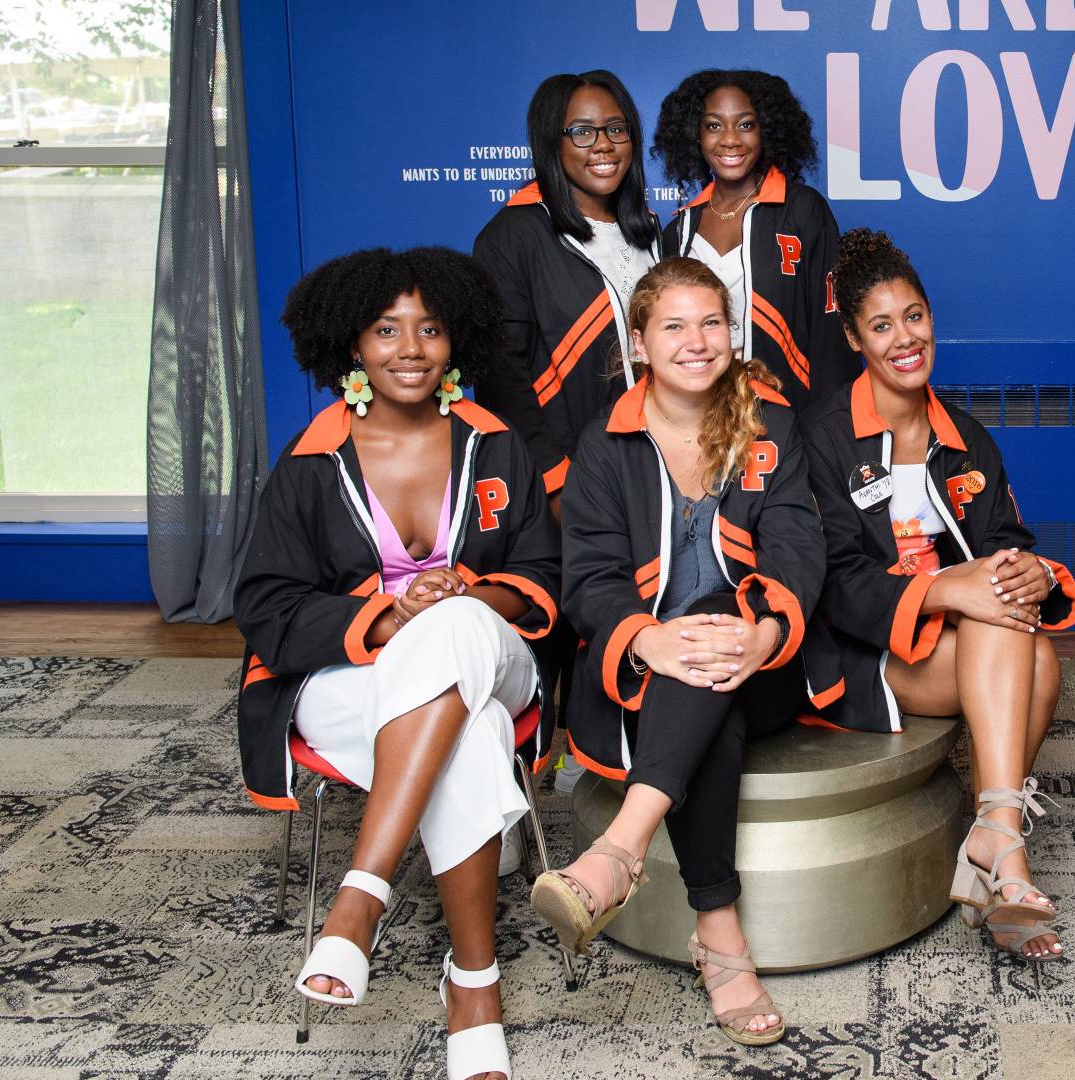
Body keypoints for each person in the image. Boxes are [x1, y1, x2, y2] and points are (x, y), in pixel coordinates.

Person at [237, 247, 561, 1080]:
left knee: (455, 628)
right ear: (352, 343)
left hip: (493, 650)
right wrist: (385, 617)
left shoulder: (497, 447)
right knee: (476, 733)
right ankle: (475, 985)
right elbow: (268, 608)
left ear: (457, 341)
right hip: (353, 680)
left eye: (430, 328)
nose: (410, 348)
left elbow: (544, 580)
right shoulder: (310, 464)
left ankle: (359, 901)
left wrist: (465, 600)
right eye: (387, 330)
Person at [531, 257, 823, 1046]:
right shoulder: (605, 443)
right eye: (674, 326)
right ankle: (720, 934)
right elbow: (586, 579)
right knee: (703, 696)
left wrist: (762, 633)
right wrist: (650, 638)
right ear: (638, 341)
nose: (697, 342)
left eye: (711, 323)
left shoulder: (772, 426)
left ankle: (617, 852)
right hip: (641, 671)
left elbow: (799, 550)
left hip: (760, 664)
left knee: (719, 624)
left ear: (732, 333)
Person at [798, 229, 1075, 962]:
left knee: (1015, 621)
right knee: (1026, 649)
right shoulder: (823, 438)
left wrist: (1036, 574)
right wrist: (943, 589)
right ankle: (1000, 846)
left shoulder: (967, 438)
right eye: (882, 325)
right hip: (865, 652)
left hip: (970, 641)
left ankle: (994, 839)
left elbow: (1008, 538)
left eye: (915, 316)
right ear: (856, 338)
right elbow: (828, 580)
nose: (905, 338)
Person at [474, 69, 661, 511]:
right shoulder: (514, 235)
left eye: (617, 129)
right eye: (582, 132)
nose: (603, 144)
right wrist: (553, 481)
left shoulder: (650, 231)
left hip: (658, 461)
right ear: (551, 143)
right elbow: (502, 378)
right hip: (573, 474)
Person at [654, 69, 852, 409]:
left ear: (767, 131)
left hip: (788, 416)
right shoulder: (680, 231)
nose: (730, 140)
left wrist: (831, 429)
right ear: (694, 135)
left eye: (746, 124)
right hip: (701, 416)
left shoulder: (802, 210)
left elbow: (830, 334)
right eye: (713, 126)